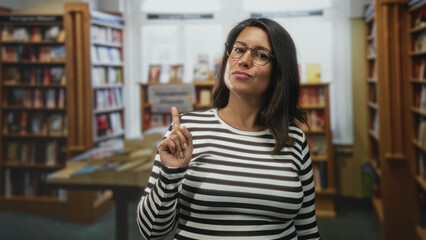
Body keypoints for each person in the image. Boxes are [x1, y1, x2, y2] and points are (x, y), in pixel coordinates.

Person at [137, 17, 321, 240]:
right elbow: (151, 232)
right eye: (238, 49)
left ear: (279, 72)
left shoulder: (294, 139)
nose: (243, 60)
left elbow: (308, 230)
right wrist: (170, 174)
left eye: (261, 55)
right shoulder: (186, 131)